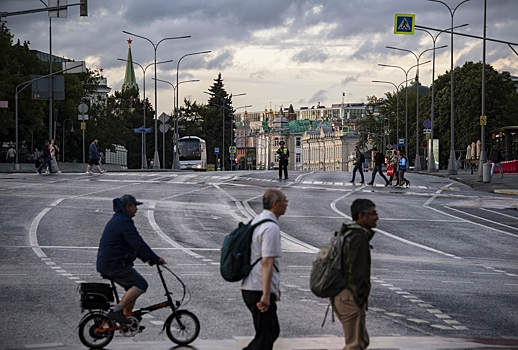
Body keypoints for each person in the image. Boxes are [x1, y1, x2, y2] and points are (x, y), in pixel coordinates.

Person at [96, 194, 165, 325]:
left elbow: (131, 246)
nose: (137, 209)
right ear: (128, 207)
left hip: (109, 263)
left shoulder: (119, 219)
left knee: (132, 286)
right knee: (141, 284)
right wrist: (155, 258)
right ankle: (117, 311)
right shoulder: (123, 222)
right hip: (114, 265)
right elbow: (138, 243)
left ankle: (126, 317)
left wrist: (147, 259)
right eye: (135, 206)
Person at [241, 189, 287, 350]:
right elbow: (267, 262)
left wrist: (274, 288)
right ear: (275, 204)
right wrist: (267, 294)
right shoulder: (270, 227)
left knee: (270, 332)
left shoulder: (257, 220)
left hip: (251, 285)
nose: (286, 203)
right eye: (284, 200)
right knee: (265, 339)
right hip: (258, 288)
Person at [333, 198, 377, 350]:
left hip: (344, 294)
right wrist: (360, 298)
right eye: (373, 214)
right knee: (355, 345)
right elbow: (357, 272)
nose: (376, 217)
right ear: (361, 216)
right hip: (350, 296)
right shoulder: (358, 237)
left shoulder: (350, 232)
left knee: (361, 341)